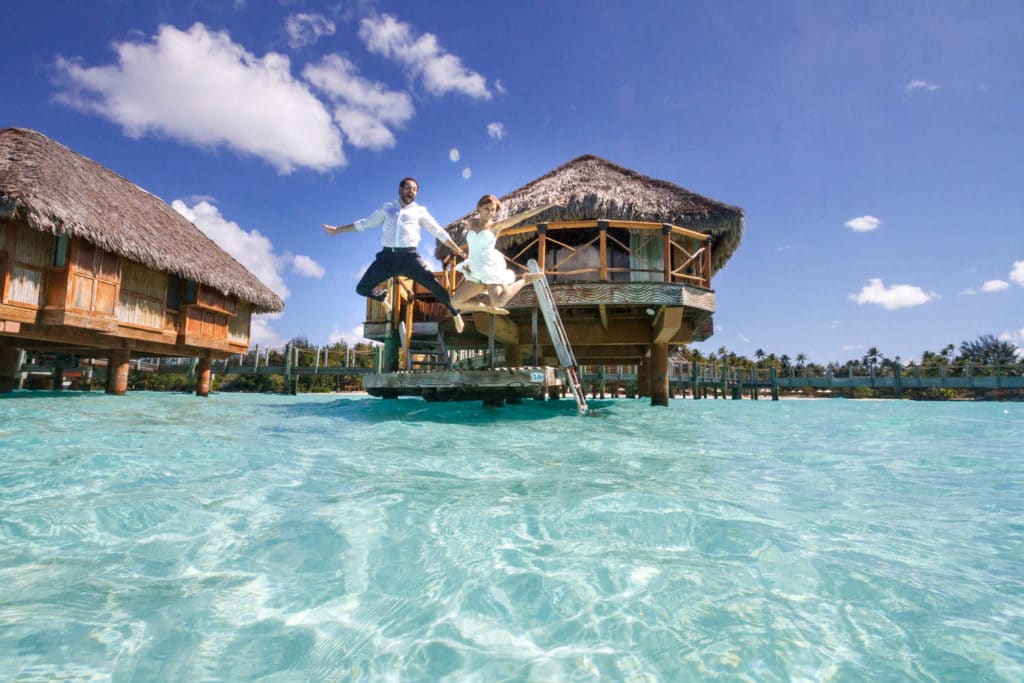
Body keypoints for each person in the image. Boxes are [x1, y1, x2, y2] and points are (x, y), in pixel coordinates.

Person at [323, 177, 465, 333]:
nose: (411, 191)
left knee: (435, 286)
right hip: (387, 258)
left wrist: (456, 248)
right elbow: (364, 224)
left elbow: (438, 231)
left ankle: (455, 313)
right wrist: (338, 230)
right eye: (408, 188)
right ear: (400, 189)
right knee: (362, 288)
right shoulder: (388, 208)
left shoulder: (420, 211)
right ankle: (382, 296)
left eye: (415, 189)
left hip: (410, 258)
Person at [451, 195, 555, 315]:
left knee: (499, 301)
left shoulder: (496, 226)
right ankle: (487, 309)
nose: (490, 212)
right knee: (455, 302)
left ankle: (525, 280)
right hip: (475, 268)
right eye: (487, 208)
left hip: (488, 266)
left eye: (493, 209)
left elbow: (524, 215)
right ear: (479, 208)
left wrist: (548, 205)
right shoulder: (470, 223)